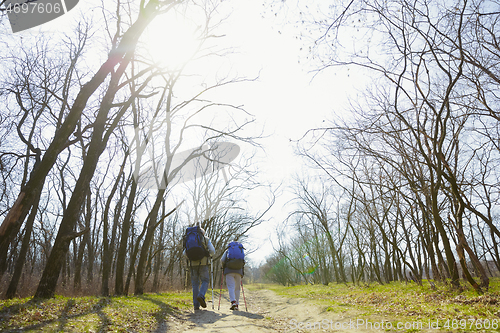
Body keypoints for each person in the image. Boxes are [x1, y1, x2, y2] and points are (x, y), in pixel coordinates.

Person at [183, 226, 215, 311]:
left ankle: (196, 305)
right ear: (202, 233)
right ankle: (201, 295)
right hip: (203, 263)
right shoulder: (205, 239)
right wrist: (208, 255)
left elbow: (184, 253)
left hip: (192, 264)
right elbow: (213, 251)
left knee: (195, 284)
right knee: (205, 280)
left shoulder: (188, 239)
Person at [221, 241, 244, 311]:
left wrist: (223, 267)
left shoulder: (227, 251)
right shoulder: (240, 250)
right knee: (237, 288)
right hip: (238, 271)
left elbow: (222, 260)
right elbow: (243, 260)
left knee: (231, 286)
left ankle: (233, 302)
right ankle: (237, 304)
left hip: (229, 271)